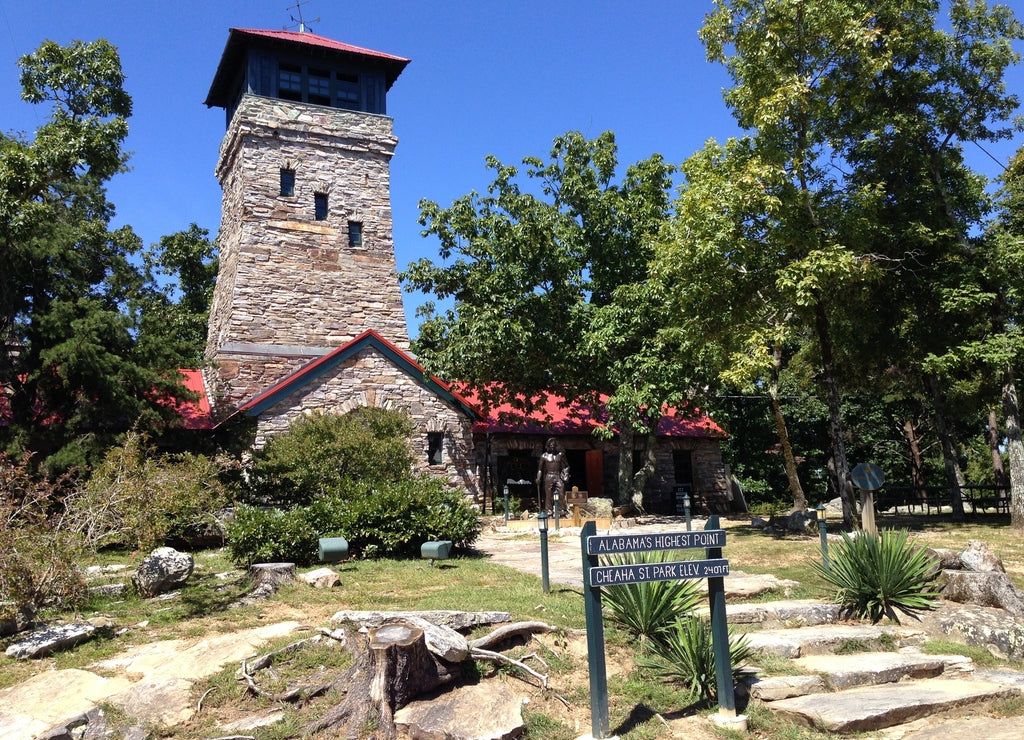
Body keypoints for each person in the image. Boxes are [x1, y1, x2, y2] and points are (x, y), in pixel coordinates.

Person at [536, 437, 569, 515]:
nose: (552, 447)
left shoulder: (560, 455)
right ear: (548, 446)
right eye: (551, 446)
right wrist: (538, 478)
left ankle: (562, 511)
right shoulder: (544, 456)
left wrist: (566, 474)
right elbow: (540, 469)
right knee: (548, 495)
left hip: (558, 475)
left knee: (561, 493)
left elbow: (566, 466)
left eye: (554, 446)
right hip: (549, 476)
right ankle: (549, 511)